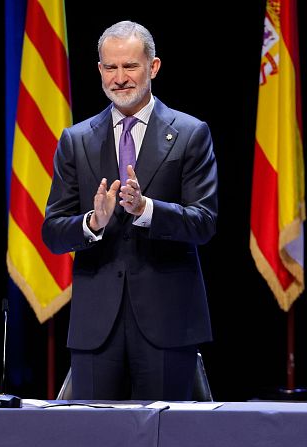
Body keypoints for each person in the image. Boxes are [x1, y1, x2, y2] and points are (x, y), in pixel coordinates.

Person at [41, 21, 218, 401]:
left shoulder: (190, 133)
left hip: (168, 323)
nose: (119, 78)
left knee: (167, 445)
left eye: (130, 66)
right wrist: (92, 222)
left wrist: (147, 209)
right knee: (93, 446)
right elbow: (53, 231)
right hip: (95, 327)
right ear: (100, 70)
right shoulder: (76, 140)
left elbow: (204, 222)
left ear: (153, 67)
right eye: (110, 67)